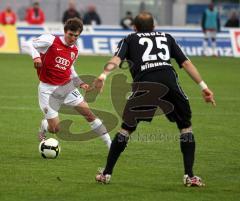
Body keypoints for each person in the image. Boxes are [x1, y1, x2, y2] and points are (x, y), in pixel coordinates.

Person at [93, 12, 215, 186]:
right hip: (169, 84)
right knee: (185, 127)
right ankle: (190, 176)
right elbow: (186, 63)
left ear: (134, 27)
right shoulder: (167, 37)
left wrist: (103, 75)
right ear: (154, 27)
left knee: (126, 130)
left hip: (145, 84)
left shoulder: (129, 38)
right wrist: (204, 87)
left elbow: (117, 58)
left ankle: (106, 174)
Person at [22, 18, 111, 149]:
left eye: (76, 36)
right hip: (47, 89)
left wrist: (80, 83)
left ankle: (110, 144)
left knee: (89, 114)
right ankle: (45, 125)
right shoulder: (51, 40)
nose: (73, 38)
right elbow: (29, 44)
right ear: (65, 32)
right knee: (55, 129)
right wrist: (35, 57)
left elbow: (70, 68)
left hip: (66, 87)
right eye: (70, 34)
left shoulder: (75, 51)